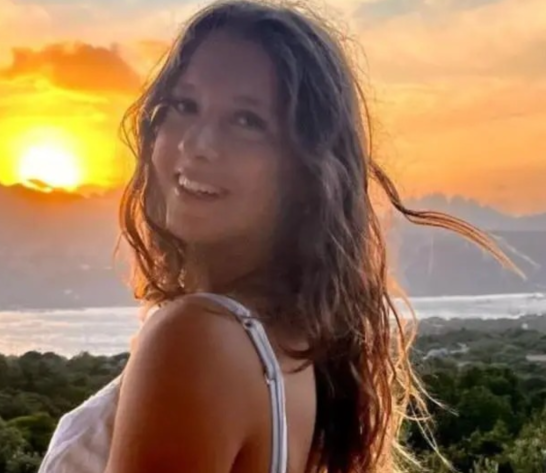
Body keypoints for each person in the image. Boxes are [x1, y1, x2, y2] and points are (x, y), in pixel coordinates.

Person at [38, 1, 516, 472]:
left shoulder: (197, 339)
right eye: (185, 105)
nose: (197, 144)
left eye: (247, 121)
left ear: (306, 169)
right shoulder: (293, 347)